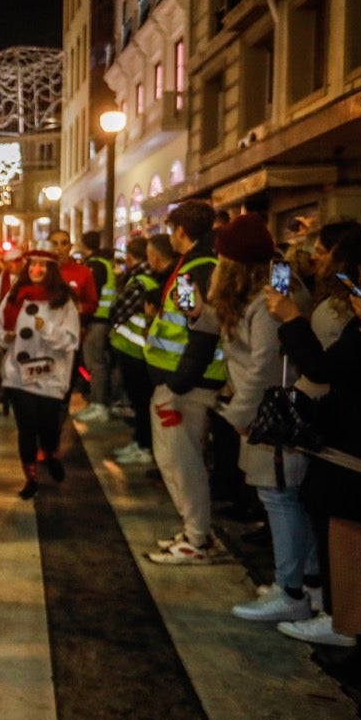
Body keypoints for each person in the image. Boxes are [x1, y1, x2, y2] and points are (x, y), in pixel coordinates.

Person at [268, 245, 361, 669]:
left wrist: (292, 319)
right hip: (356, 452)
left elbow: (324, 369)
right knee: (354, 549)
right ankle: (353, 628)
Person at [206, 216, 321, 622]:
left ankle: (292, 591)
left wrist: (240, 415)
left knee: (281, 497)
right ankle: (305, 585)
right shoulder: (258, 295)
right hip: (265, 411)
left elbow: (266, 367)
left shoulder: (270, 299)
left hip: (274, 416)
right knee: (285, 498)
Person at [144, 201, 232, 564]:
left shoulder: (194, 269)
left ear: (181, 231)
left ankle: (196, 539)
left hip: (185, 382)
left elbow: (199, 330)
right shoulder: (201, 265)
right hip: (186, 378)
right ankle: (197, 532)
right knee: (182, 459)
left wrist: (178, 383)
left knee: (181, 462)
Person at [0, 246, 81, 500]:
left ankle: (51, 452)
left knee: (47, 426)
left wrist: (47, 329)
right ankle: (31, 477)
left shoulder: (64, 300)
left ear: (51, 270)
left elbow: (70, 341)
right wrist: (5, 337)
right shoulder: (15, 296)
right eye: (32, 265)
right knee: (27, 427)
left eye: (42, 266)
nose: (36, 270)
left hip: (50, 376)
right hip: (17, 374)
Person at [108, 235, 176, 466]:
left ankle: (145, 446)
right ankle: (142, 443)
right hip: (152, 350)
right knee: (144, 403)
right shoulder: (163, 278)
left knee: (143, 402)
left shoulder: (148, 281)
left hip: (142, 351)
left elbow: (118, 309)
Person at [73, 230, 120, 423]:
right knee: (96, 363)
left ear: (84, 244)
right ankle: (96, 402)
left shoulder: (95, 266)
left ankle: (99, 405)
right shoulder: (103, 264)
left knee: (96, 364)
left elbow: (92, 295)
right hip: (101, 319)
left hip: (97, 320)